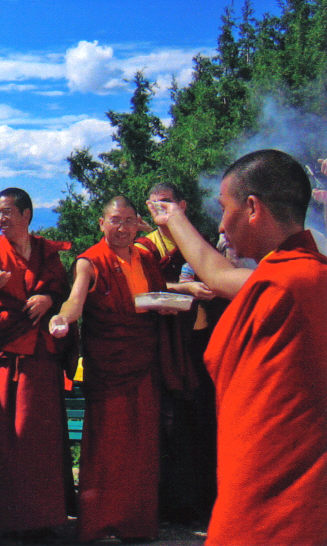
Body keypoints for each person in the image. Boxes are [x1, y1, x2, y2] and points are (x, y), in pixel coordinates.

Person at [148, 149, 327, 545]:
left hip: (276, 492)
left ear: (252, 207)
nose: (221, 222)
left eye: (224, 207)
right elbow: (218, 272)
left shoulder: (289, 283)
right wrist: (173, 218)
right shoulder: (299, 274)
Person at [50, 196, 195, 542]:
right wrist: (63, 318)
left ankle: (137, 524)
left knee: (142, 445)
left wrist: (166, 305)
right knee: (106, 445)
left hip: (144, 362)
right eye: (115, 220)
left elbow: (153, 294)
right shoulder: (90, 261)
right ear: (102, 223)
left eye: (130, 221)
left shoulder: (145, 256)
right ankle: (100, 523)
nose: (123, 227)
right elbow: (76, 299)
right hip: (109, 365)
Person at [0, 188, 73, 538]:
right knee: (6, 436)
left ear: (27, 214)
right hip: (4, 355)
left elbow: (61, 291)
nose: (0, 219)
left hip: (40, 355)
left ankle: (43, 519)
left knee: (40, 436)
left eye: (7, 212)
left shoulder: (47, 252)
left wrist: (47, 298)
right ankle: (7, 520)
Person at [137, 182, 218, 523]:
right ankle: (172, 505)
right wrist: (184, 287)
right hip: (164, 343)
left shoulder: (195, 240)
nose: (162, 210)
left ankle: (205, 500)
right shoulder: (145, 246)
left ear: (182, 205)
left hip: (198, 340)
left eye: (168, 203)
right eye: (155, 205)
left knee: (202, 419)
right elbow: (140, 285)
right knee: (170, 424)